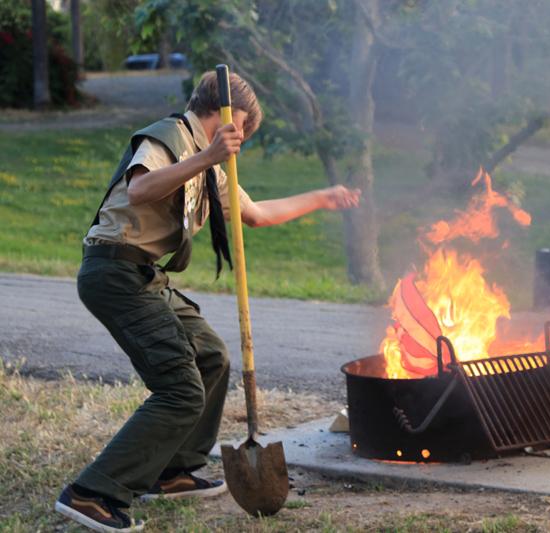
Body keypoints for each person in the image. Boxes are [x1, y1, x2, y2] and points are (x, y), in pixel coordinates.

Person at [54, 71, 361, 532]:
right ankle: (92, 493)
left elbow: (255, 215)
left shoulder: (209, 163)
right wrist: (208, 156)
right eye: (242, 130)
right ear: (227, 116)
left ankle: (174, 470)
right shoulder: (170, 135)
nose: (241, 142)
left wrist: (322, 197)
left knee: (212, 356)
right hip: (114, 270)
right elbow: (139, 188)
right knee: (180, 388)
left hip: (144, 275)